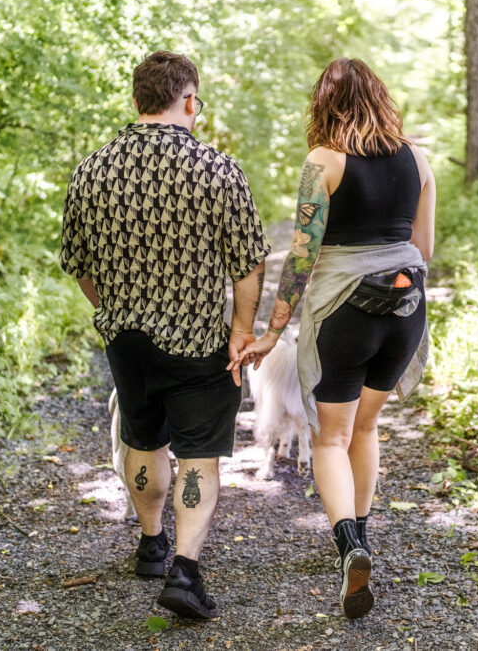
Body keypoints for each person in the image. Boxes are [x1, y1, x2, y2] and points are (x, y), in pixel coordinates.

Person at [60, 51, 270, 620]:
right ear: (190, 102)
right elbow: (249, 263)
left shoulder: (92, 170)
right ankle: (184, 571)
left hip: (126, 336)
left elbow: (79, 263)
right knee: (198, 453)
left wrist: (115, 309)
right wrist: (241, 331)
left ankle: (150, 542)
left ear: (136, 102)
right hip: (199, 339)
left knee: (142, 436)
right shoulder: (217, 169)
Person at [229, 57, 435, 619]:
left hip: (344, 310)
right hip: (404, 303)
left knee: (329, 437)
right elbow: (425, 247)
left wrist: (274, 330)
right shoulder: (418, 158)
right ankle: (362, 537)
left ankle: (350, 546)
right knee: (367, 427)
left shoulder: (323, 160)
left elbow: (302, 254)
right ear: (380, 98)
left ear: (324, 104)